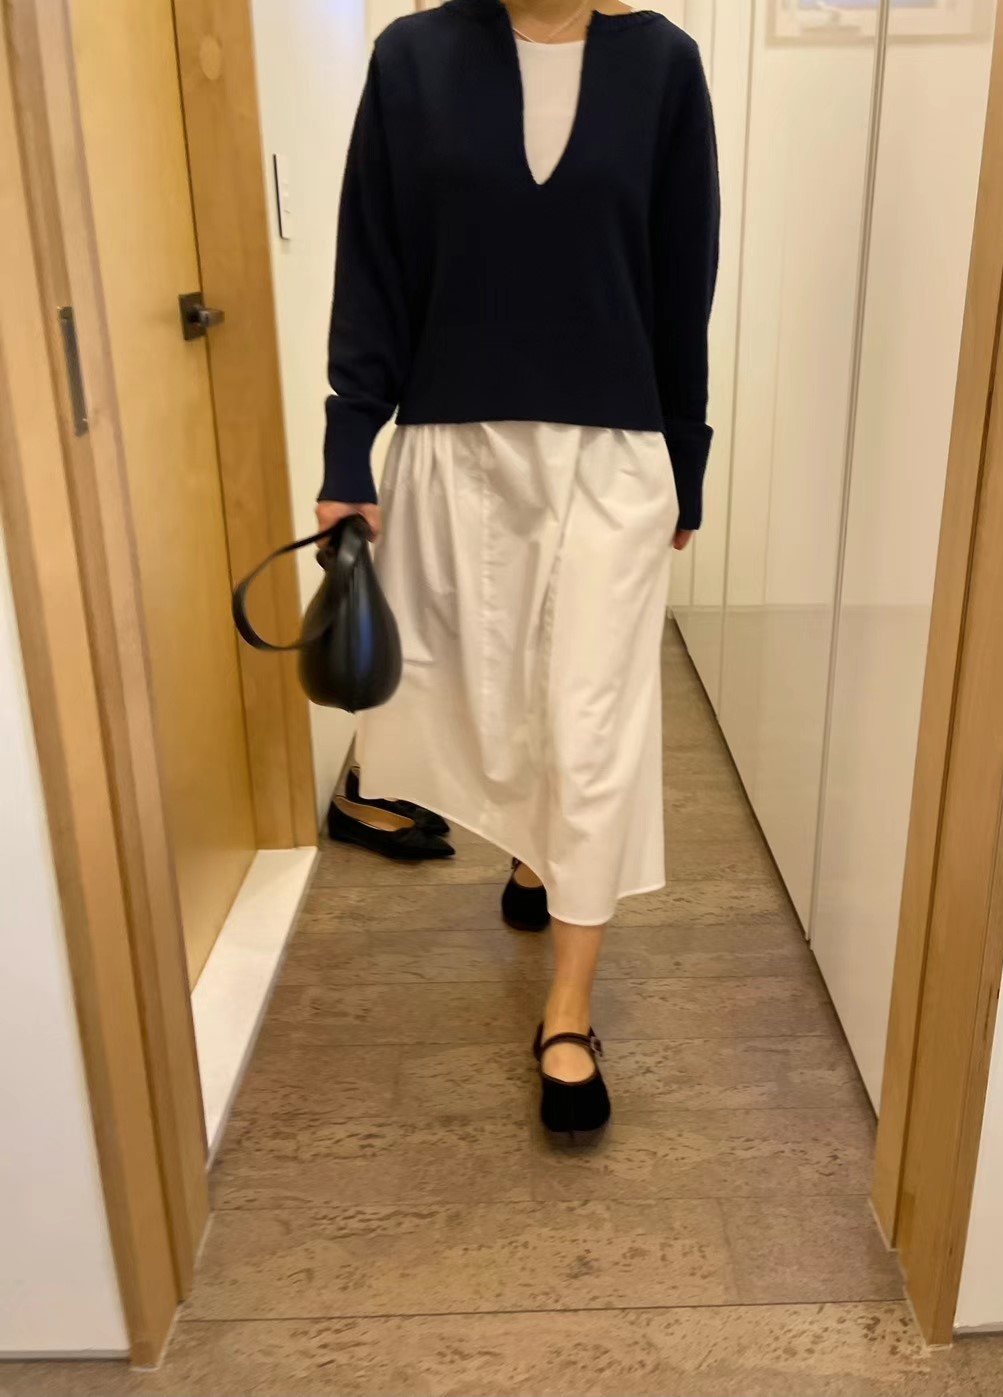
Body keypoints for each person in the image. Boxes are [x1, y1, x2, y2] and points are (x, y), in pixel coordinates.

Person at [316, 0, 719, 1139]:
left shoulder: (664, 67)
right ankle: (534, 861)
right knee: (492, 698)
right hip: (459, 448)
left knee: (591, 716)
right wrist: (350, 447)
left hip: (614, 454)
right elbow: (373, 263)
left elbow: (683, 280)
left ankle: (569, 1010)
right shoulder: (413, 60)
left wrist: (686, 462)